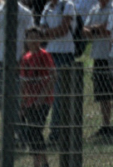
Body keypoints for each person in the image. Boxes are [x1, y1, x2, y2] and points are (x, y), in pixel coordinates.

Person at [38, 0, 76, 145]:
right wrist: (48, 33)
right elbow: (42, 32)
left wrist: (46, 33)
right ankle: (40, 129)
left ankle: (56, 133)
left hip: (64, 54)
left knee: (59, 95)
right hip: (50, 53)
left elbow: (64, 30)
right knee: (47, 93)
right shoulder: (47, 7)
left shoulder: (67, 5)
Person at [19, 27, 55, 167]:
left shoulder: (44, 55)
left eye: (36, 38)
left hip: (42, 101)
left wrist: (41, 97)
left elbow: (52, 76)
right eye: (30, 38)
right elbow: (23, 82)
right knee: (32, 134)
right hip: (29, 101)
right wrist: (22, 102)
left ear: (40, 40)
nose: (33, 41)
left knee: (36, 132)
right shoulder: (25, 58)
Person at [0, 0, 35, 106]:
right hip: (0, 60)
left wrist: (24, 60)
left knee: (19, 97)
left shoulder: (25, 13)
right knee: (2, 98)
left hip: (19, 60)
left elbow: (30, 39)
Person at [84, 0, 113, 138]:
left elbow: (108, 29)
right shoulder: (94, 9)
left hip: (112, 55)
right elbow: (84, 30)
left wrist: (93, 30)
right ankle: (105, 126)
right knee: (102, 93)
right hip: (98, 55)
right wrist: (97, 29)